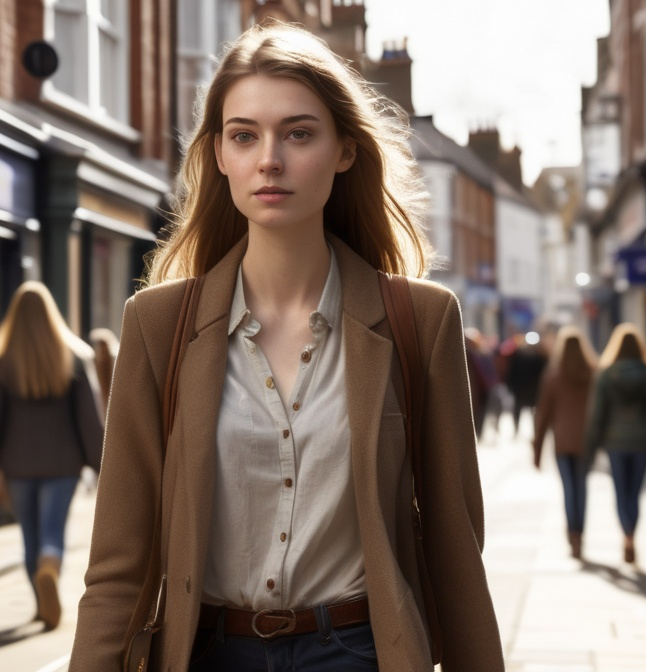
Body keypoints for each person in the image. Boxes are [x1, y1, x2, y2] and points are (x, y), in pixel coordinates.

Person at [69, 22, 503, 671]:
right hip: (208, 653)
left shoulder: (421, 319)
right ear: (220, 155)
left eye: (298, 133)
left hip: (360, 651)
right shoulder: (157, 325)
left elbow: (453, 546)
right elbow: (118, 567)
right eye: (245, 135)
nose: (269, 159)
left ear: (345, 150)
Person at [0, 281, 103, 631]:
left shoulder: (2, 362)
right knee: (52, 534)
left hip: (18, 466)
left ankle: (40, 605)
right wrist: (103, 468)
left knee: (29, 537)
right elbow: (90, 422)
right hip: (63, 466)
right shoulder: (76, 357)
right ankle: (50, 568)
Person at [585, 323, 646, 565]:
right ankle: (631, 536)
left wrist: (592, 445)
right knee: (634, 493)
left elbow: (598, 414)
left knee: (620, 491)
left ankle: (626, 535)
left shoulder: (607, 374)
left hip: (615, 441)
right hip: (643, 442)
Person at [532, 325, 598, 559]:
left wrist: (537, 449)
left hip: (562, 441)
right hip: (586, 441)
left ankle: (572, 535)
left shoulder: (553, 374)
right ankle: (580, 534)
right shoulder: (593, 372)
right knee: (581, 488)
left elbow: (543, 414)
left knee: (569, 489)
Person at [464, 327, 499, 440]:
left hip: (483, 389)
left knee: (480, 413)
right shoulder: (467, 354)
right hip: (474, 390)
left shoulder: (482, 353)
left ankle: (478, 434)